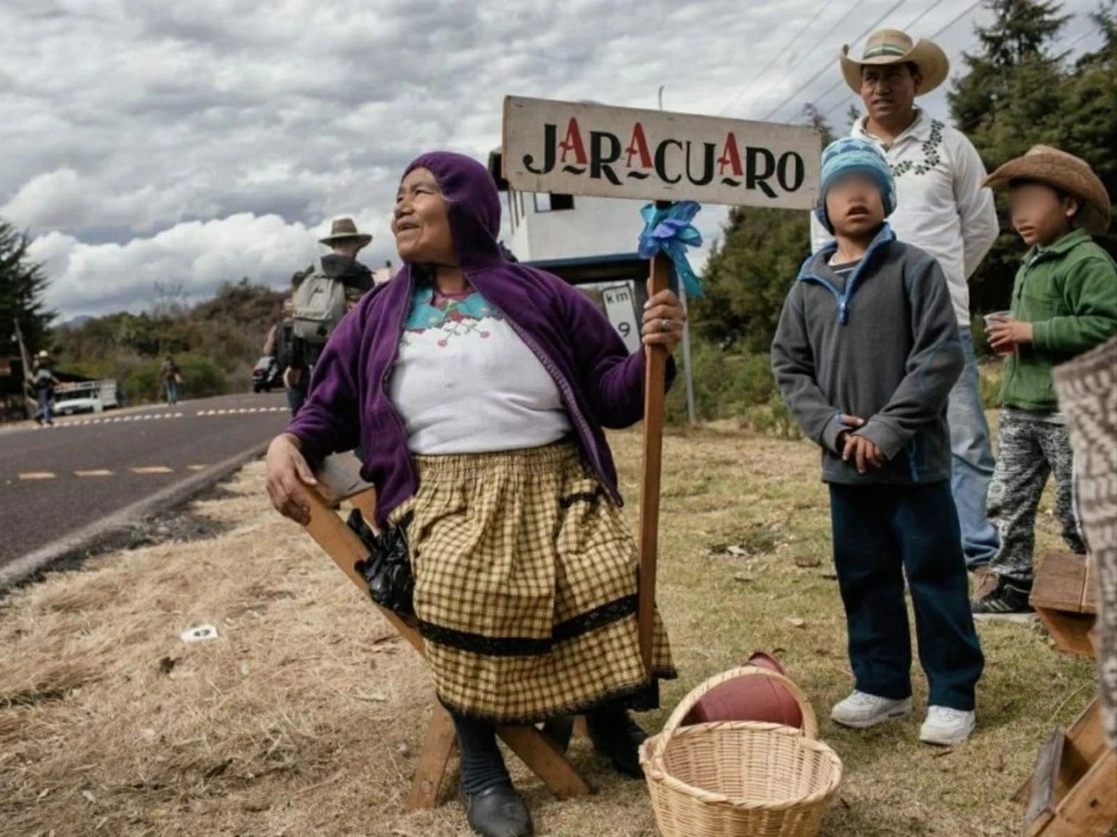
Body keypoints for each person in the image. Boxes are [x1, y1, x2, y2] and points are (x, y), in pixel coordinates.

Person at [265, 151, 682, 837]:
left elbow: (611, 393)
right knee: (462, 584)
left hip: (555, 478)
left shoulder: (544, 294)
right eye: (398, 194)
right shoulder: (375, 315)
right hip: (443, 495)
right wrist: (290, 442)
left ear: (467, 206)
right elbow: (326, 406)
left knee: (604, 566)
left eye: (421, 192)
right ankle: (484, 759)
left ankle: (606, 717)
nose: (401, 206)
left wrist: (649, 358)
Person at [775, 138, 985, 746]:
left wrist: (888, 430)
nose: (855, 196)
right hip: (847, 467)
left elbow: (940, 356)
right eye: (841, 189)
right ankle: (882, 684)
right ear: (823, 206)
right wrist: (835, 430)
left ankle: (952, 691)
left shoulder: (915, 268)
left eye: (868, 185)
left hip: (914, 465)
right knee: (863, 578)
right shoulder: (808, 283)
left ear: (888, 198)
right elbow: (790, 367)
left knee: (935, 575)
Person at [813, 29, 1001, 571]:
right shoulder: (838, 155)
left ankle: (975, 551)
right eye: (871, 75)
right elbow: (822, 245)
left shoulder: (953, 144)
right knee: (868, 433)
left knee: (963, 438)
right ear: (860, 86)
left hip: (944, 322)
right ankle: (884, 552)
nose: (881, 85)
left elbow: (981, 227)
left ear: (916, 80)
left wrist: (933, 292)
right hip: (863, 330)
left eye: (894, 73)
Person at [972, 146, 1117, 615]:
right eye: (1016, 207)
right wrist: (1014, 338)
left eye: (1033, 204)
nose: (1020, 216)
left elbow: (1106, 325)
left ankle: (1091, 591)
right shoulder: (1032, 261)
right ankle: (1013, 585)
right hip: (1021, 407)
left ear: (1069, 205)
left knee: (1078, 509)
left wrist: (1032, 332)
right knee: (1007, 500)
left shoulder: (1087, 263)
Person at [292, 217, 375, 368]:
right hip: (350, 354)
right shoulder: (361, 274)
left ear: (333, 244)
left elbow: (298, 314)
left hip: (316, 354)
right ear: (355, 244)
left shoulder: (312, 272)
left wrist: (294, 363)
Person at [30, 351, 59, 427]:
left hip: (49, 387)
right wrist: (36, 379)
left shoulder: (47, 367)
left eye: (45, 358)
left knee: (50, 404)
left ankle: (38, 416)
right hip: (41, 388)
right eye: (43, 358)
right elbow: (33, 378)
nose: (44, 360)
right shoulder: (37, 368)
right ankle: (47, 419)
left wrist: (55, 381)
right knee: (45, 404)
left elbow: (50, 376)